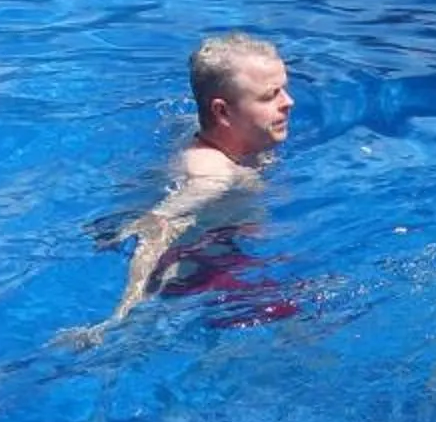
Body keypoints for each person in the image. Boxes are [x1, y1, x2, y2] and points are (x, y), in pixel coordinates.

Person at [74, 32, 294, 338]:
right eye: (270, 95)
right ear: (222, 111)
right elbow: (155, 226)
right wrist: (120, 316)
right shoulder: (214, 177)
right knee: (307, 314)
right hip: (194, 266)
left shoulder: (202, 130)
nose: (288, 102)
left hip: (218, 240)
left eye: (284, 88)